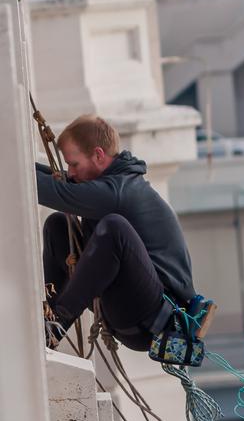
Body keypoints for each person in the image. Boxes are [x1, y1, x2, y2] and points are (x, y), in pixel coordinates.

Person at [36, 114, 196, 350]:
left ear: (99, 155)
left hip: (151, 320)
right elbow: (57, 180)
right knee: (58, 226)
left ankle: (56, 325)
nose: (69, 172)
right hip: (125, 306)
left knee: (115, 228)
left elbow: (53, 190)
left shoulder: (118, 192)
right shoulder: (108, 184)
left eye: (74, 164)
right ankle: (47, 322)